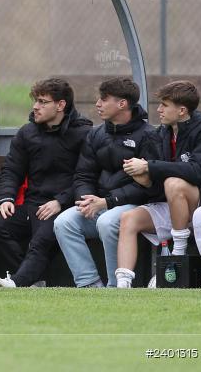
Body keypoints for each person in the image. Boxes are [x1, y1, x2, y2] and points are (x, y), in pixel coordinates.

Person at [0, 78, 92, 288]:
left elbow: (87, 176)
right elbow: (11, 170)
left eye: (43, 102)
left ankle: (16, 283)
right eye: (35, 101)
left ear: (60, 105)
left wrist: (60, 202)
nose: (36, 106)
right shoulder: (27, 133)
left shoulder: (84, 133)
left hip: (66, 207)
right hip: (32, 205)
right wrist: (6, 198)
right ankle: (33, 281)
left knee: (41, 240)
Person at [53, 77, 157, 288]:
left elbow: (146, 187)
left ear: (122, 104)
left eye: (104, 99)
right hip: (100, 203)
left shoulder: (149, 136)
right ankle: (89, 285)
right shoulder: (96, 134)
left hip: (134, 207)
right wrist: (85, 200)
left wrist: (107, 201)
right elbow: (83, 175)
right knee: (64, 222)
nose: (98, 104)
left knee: (107, 222)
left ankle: (114, 286)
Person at [115, 80, 201, 288]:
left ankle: (176, 255)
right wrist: (144, 179)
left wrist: (149, 167)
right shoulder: (160, 134)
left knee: (174, 183)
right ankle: (122, 284)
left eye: (164, 105)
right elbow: (156, 185)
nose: (159, 109)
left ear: (181, 111)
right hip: (173, 205)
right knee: (129, 219)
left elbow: (196, 172)